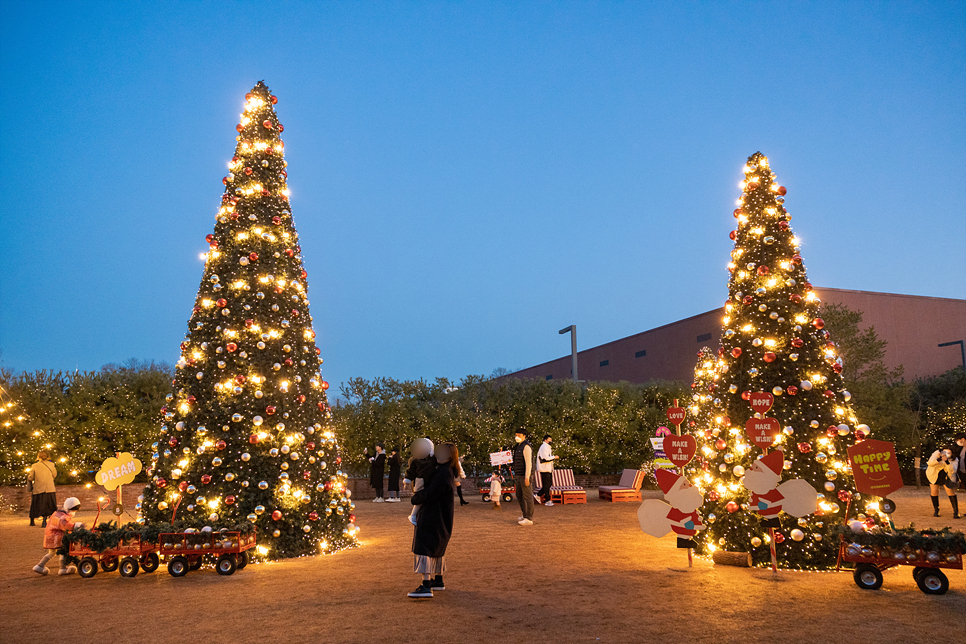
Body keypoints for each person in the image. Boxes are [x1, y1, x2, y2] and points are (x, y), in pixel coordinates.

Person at [408, 443, 458, 599]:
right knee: (437, 547)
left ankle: (426, 585)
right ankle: (438, 580)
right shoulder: (446, 471)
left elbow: (429, 493)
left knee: (424, 549)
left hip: (432, 516)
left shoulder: (442, 473)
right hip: (442, 516)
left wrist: (415, 499)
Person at [33, 497, 83, 576]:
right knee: (63, 552)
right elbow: (66, 525)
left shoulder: (57, 514)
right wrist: (77, 525)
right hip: (57, 538)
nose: (74, 513)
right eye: (73, 510)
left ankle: (40, 566)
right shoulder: (62, 517)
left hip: (51, 537)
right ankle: (62, 568)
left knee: (52, 552)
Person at [404, 438, 436, 526]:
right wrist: (407, 480)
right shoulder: (416, 460)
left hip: (428, 481)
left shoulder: (432, 459)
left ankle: (414, 515)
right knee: (420, 498)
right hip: (420, 481)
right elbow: (411, 471)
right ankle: (413, 515)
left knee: (424, 498)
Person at [926, 446, 960, 519]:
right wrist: (940, 459)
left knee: (950, 492)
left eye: (948, 453)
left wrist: (947, 461)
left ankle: (956, 511)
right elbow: (930, 463)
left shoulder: (955, 459)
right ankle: (936, 510)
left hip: (947, 475)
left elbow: (952, 470)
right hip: (934, 474)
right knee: (934, 491)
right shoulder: (936, 453)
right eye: (944, 452)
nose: (946, 454)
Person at [27, 451, 58, 527]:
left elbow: (31, 477)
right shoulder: (51, 465)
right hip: (49, 488)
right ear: (48, 456)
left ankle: (32, 521)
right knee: (48, 505)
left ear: (38, 456)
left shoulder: (35, 466)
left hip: (39, 488)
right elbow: (54, 475)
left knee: (36, 504)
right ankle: (44, 521)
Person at [512, 429, 535, 525]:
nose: (517, 436)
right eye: (516, 434)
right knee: (519, 495)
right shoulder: (518, 446)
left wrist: (527, 477)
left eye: (519, 435)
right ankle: (525, 514)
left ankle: (529, 517)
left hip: (525, 475)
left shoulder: (526, 447)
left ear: (524, 436)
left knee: (527, 496)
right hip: (519, 474)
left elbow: (528, 463)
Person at [537, 434, 558, 506]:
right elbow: (545, 458)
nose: (551, 441)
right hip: (544, 468)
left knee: (548, 484)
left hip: (547, 468)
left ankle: (538, 495)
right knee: (547, 484)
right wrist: (554, 457)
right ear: (545, 440)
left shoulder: (547, 447)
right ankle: (547, 500)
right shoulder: (544, 447)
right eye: (549, 439)